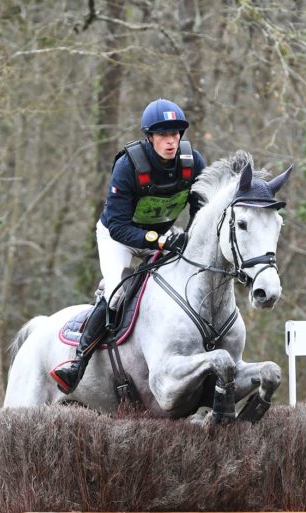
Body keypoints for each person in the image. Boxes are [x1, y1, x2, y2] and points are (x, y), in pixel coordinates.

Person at [50, 98, 207, 394]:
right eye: (163, 135)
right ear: (150, 137)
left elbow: (201, 208)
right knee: (116, 292)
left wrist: (188, 236)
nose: (170, 141)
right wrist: (159, 241)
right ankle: (78, 363)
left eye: (175, 134)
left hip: (161, 234)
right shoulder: (129, 165)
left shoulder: (193, 163)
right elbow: (119, 226)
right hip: (118, 236)